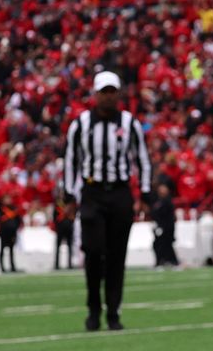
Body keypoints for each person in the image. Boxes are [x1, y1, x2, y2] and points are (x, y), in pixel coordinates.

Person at [64, 71, 152, 331]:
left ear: (118, 94)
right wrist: (69, 195)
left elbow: (143, 159)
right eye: (104, 91)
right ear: (95, 94)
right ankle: (93, 308)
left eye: (112, 91)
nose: (108, 96)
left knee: (116, 256)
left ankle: (113, 313)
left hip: (120, 193)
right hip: (92, 193)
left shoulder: (130, 123)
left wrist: (144, 194)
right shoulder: (80, 124)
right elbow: (71, 160)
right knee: (92, 252)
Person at [150, 185, 178, 268]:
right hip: (159, 226)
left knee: (167, 245)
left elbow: (170, 217)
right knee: (157, 244)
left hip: (166, 227)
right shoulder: (156, 201)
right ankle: (160, 261)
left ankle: (171, 261)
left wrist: (163, 227)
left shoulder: (168, 201)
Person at [0, 194, 22, 273]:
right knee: (2, 250)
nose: (8, 200)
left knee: (11, 250)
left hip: (12, 232)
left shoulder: (14, 208)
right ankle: (1, 267)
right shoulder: (1, 209)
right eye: (6, 199)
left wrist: (16, 229)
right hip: (3, 232)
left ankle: (12, 267)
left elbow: (18, 220)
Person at [54, 192, 77, 270]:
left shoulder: (70, 204)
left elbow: (74, 215)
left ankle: (70, 263)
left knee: (70, 246)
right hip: (60, 227)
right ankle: (56, 264)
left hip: (68, 227)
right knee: (58, 246)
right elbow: (55, 217)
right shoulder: (57, 204)